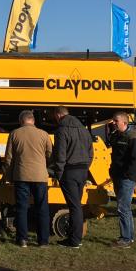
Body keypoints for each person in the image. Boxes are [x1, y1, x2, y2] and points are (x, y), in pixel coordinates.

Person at [3, 110, 53, 247]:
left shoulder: (14, 134)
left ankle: (22, 239)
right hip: (40, 176)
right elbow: (50, 155)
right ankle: (43, 241)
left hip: (21, 175)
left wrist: (8, 176)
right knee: (42, 208)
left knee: (21, 208)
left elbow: (9, 159)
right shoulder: (44, 134)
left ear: (21, 121)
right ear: (33, 121)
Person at [50, 106, 94, 249]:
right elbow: (91, 153)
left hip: (69, 172)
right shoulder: (84, 130)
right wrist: (86, 167)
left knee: (74, 206)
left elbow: (60, 155)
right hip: (83, 171)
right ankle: (74, 237)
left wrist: (58, 174)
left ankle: (74, 240)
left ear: (58, 115)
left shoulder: (61, 130)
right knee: (76, 205)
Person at [107, 112, 136, 248]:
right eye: (113, 120)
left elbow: (135, 160)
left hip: (126, 178)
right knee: (125, 208)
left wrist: (128, 176)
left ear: (124, 123)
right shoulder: (116, 135)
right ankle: (129, 237)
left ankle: (125, 239)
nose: (113, 123)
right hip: (117, 176)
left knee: (123, 208)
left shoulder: (132, 137)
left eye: (116, 121)